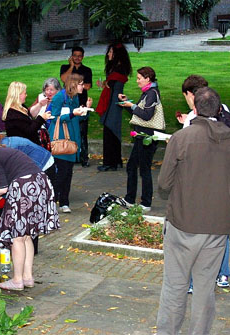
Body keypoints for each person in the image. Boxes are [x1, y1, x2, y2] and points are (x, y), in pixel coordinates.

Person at [156, 87, 230, 335]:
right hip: (217, 228)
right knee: (204, 288)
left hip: (182, 225)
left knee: (175, 286)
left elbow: (164, 184)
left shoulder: (181, 138)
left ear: (195, 109)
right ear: (218, 110)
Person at [0, 129, 59, 291]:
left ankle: (17, 280)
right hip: (40, 183)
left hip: (25, 186)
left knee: (17, 237)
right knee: (26, 236)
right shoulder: (5, 151)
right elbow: (8, 188)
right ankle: (27, 277)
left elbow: (2, 188)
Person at [118, 67, 163, 212]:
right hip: (142, 136)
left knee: (143, 168)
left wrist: (132, 106)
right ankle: (130, 199)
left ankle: (145, 202)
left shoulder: (152, 93)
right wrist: (127, 104)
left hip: (147, 137)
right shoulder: (147, 93)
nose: (137, 81)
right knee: (132, 166)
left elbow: (146, 115)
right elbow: (139, 113)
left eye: (139, 78)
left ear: (147, 79)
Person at [47, 74, 91, 213]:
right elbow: (55, 117)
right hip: (61, 139)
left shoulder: (74, 97)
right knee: (62, 173)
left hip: (72, 138)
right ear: (73, 84)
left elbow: (76, 117)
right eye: (81, 84)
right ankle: (51, 201)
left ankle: (64, 202)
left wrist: (85, 110)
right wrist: (73, 114)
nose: (82, 87)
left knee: (68, 173)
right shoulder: (60, 97)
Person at [96, 43, 132, 171]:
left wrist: (106, 85)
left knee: (110, 130)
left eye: (111, 52)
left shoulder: (119, 70)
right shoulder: (117, 68)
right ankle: (114, 161)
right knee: (111, 130)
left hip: (113, 103)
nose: (108, 54)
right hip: (113, 102)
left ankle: (110, 162)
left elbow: (113, 85)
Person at [60, 46, 93, 167]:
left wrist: (73, 84)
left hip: (82, 102)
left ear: (83, 57)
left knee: (82, 131)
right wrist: (72, 67)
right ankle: (70, 155)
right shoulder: (65, 68)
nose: (77, 58)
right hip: (68, 103)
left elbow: (88, 86)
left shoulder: (87, 70)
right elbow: (64, 79)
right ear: (71, 56)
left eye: (79, 56)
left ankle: (84, 157)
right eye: (75, 55)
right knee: (68, 130)